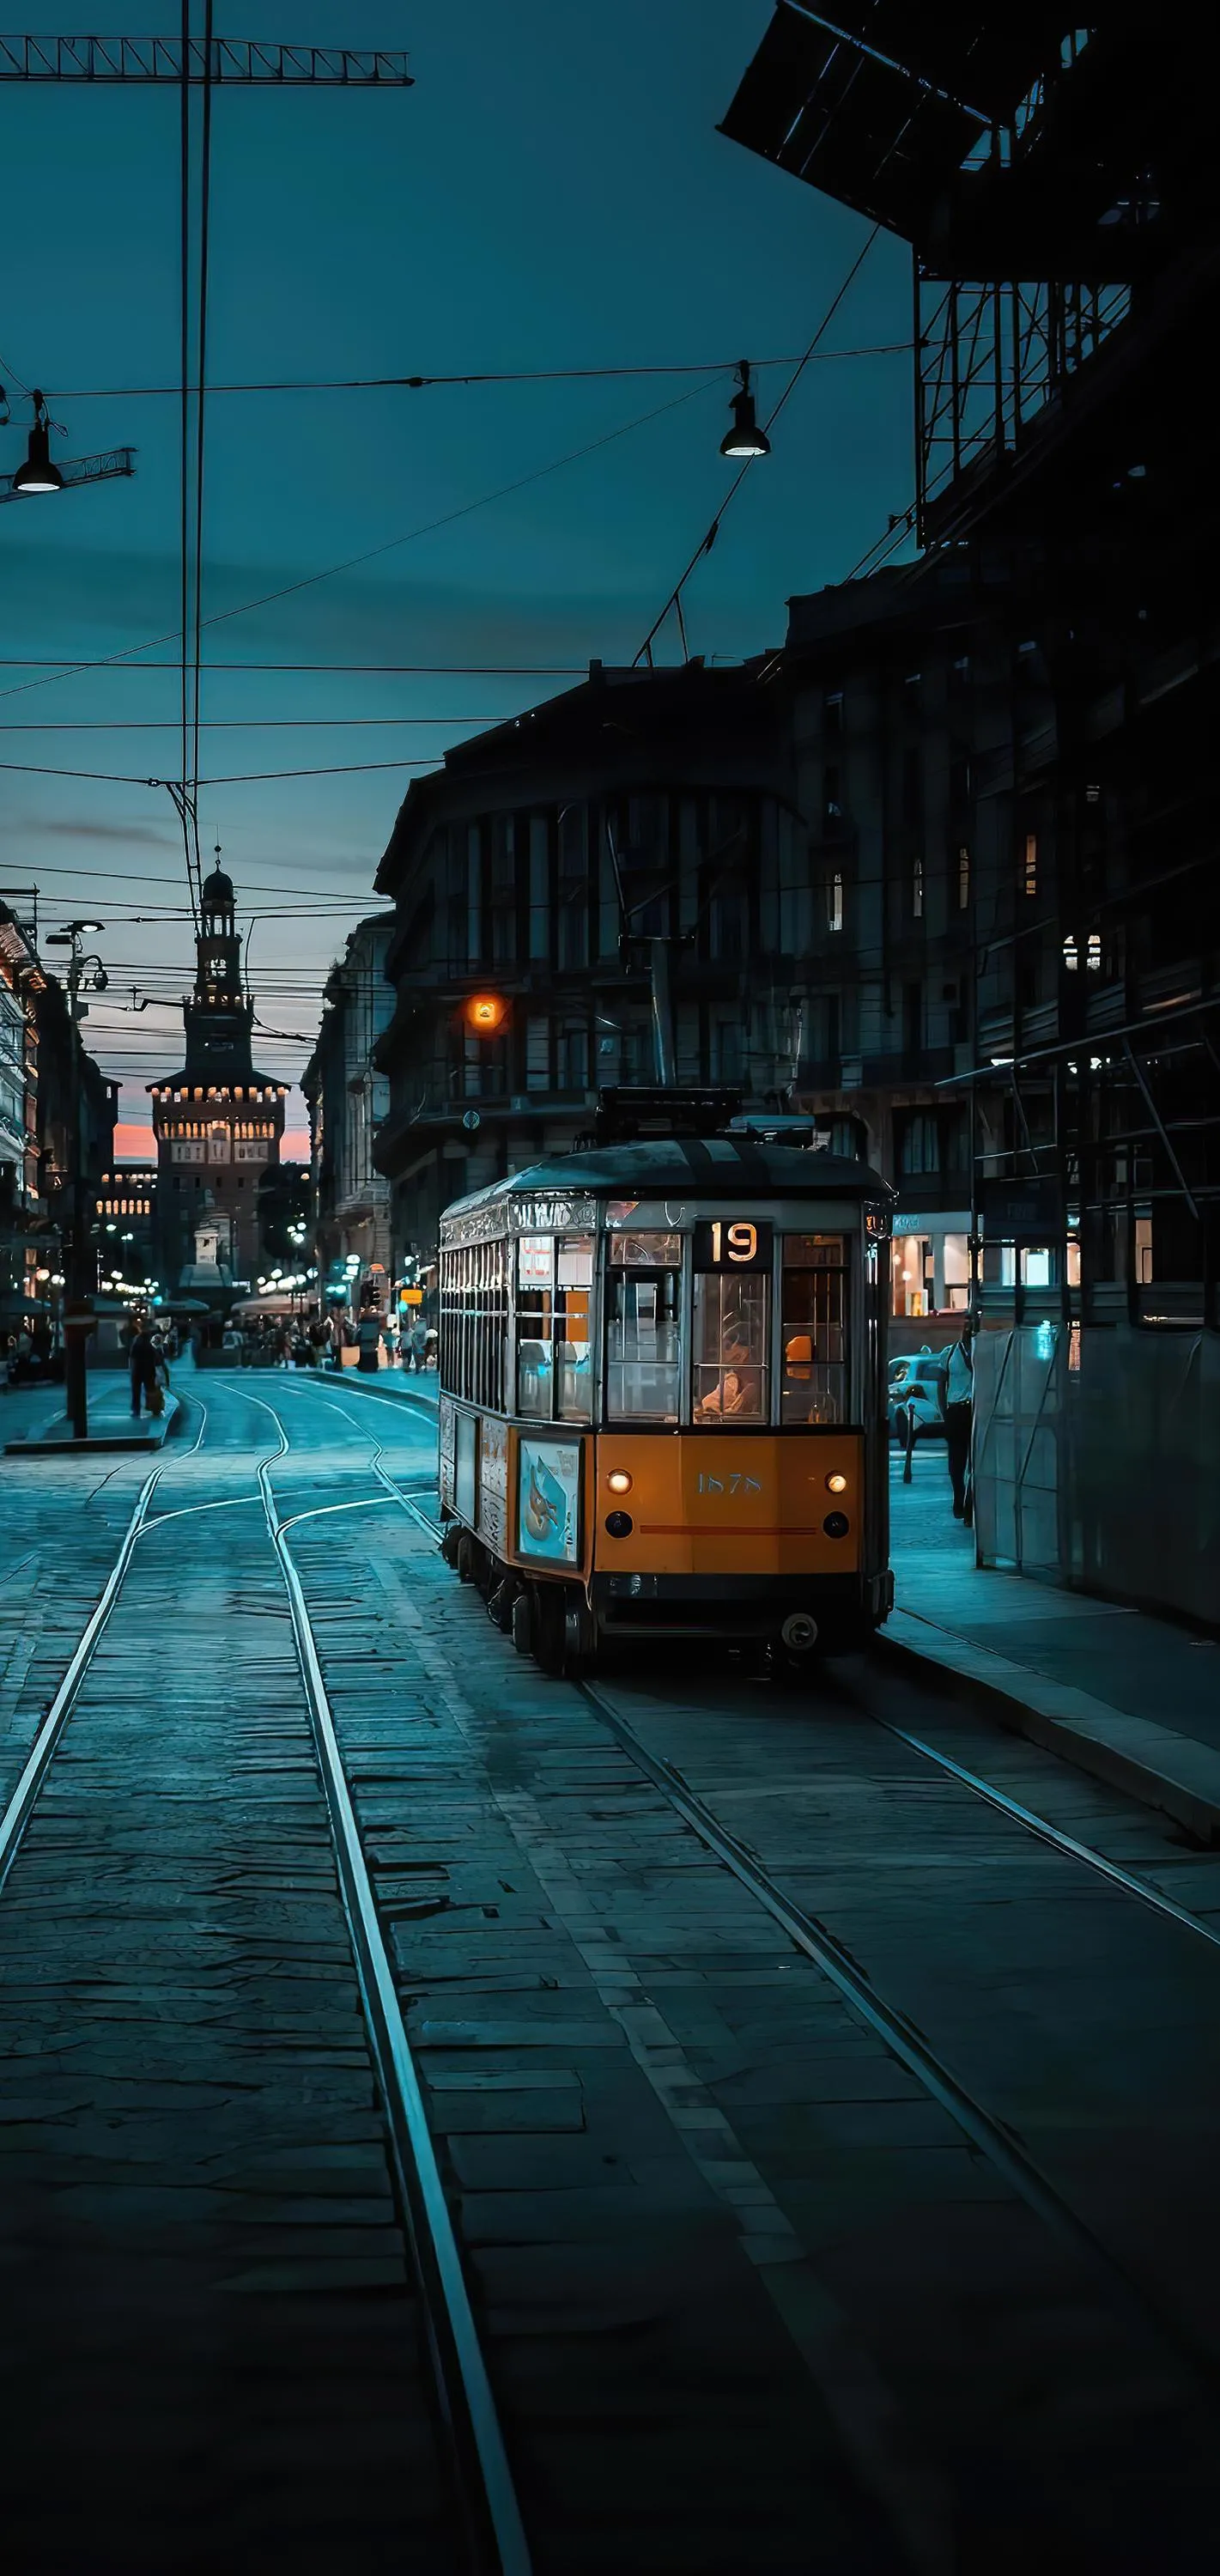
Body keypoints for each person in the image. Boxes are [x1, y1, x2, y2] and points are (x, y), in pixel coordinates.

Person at [694, 1320, 763, 1422]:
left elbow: (732, 1417)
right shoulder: (732, 1380)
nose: (720, 1352)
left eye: (727, 1346)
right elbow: (708, 1405)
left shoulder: (753, 1388)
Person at [944, 1315, 975, 1520]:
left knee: (974, 1460)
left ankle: (969, 1504)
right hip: (955, 1410)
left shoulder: (978, 1352)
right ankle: (959, 1497)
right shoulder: (950, 1352)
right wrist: (943, 1407)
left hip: (974, 1409)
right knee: (957, 1460)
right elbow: (941, 1380)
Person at [129, 1317, 159, 1419]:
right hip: (149, 1368)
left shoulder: (137, 1339)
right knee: (150, 1390)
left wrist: (132, 1369)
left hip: (138, 1369)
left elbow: (133, 1355)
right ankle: (154, 1408)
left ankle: (136, 1410)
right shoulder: (152, 1340)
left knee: (137, 1391)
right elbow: (157, 1355)